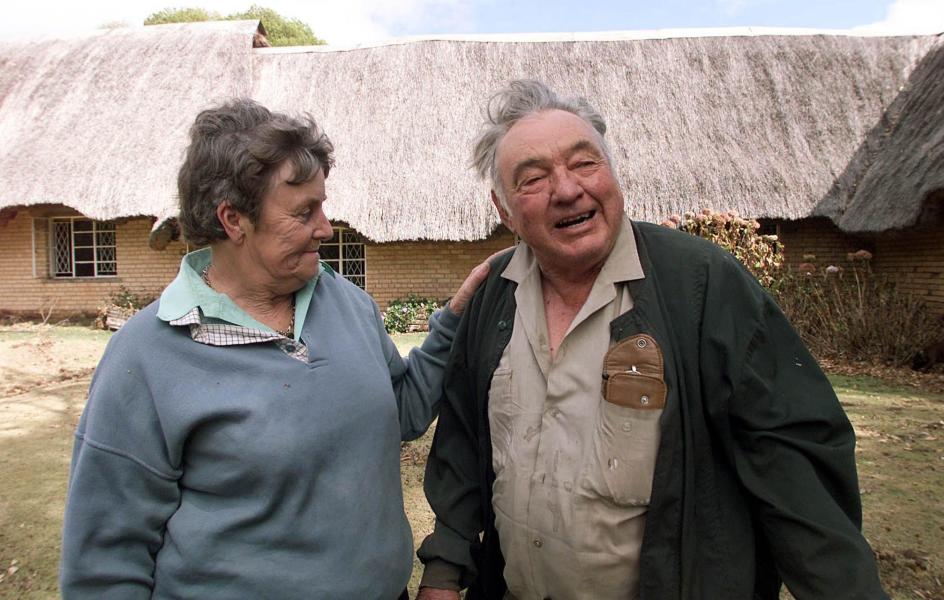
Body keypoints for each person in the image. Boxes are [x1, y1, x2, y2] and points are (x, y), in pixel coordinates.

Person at [415, 80, 889, 600]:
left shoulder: (703, 284)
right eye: (533, 178)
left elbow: (793, 464)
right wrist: (445, 569)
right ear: (503, 209)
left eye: (584, 163)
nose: (568, 189)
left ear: (614, 174)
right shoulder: (494, 295)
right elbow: (462, 438)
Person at [59, 98, 492, 599]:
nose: (326, 228)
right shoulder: (145, 356)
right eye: (304, 212)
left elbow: (399, 413)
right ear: (233, 219)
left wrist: (449, 324)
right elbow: (104, 562)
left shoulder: (348, 304)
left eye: (323, 205)